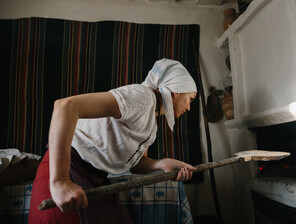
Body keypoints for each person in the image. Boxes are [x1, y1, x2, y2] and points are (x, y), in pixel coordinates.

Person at [29, 58, 198, 223]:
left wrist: (162, 164)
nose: (189, 107)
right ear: (176, 91)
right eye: (190, 99)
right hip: (68, 169)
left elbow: (137, 164)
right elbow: (65, 106)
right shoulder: (142, 97)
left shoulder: (152, 122)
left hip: (94, 179)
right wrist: (60, 181)